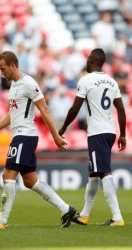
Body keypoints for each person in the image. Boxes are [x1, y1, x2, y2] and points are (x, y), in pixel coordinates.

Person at [0, 51, 76, 229]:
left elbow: (44, 109)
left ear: (13, 65)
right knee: (30, 181)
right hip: (20, 135)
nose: (2, 72)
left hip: (25, 136)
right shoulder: (14, 85)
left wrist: (55, 135)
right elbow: (13, 114)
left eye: (3, 68)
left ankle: (2, 220)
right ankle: (66, 209)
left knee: (8, 175)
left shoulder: (28, 83)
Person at [58, 48, 127, 226]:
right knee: (93, 173)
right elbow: (120, 108)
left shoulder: (86, 81)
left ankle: (117, 217)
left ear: (90, 60)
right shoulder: (112, 82)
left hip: (97, 132)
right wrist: (123, 134)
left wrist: (64, 127)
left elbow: (75, 108)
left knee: (103, 171)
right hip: (110, 131)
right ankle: (84, 215)